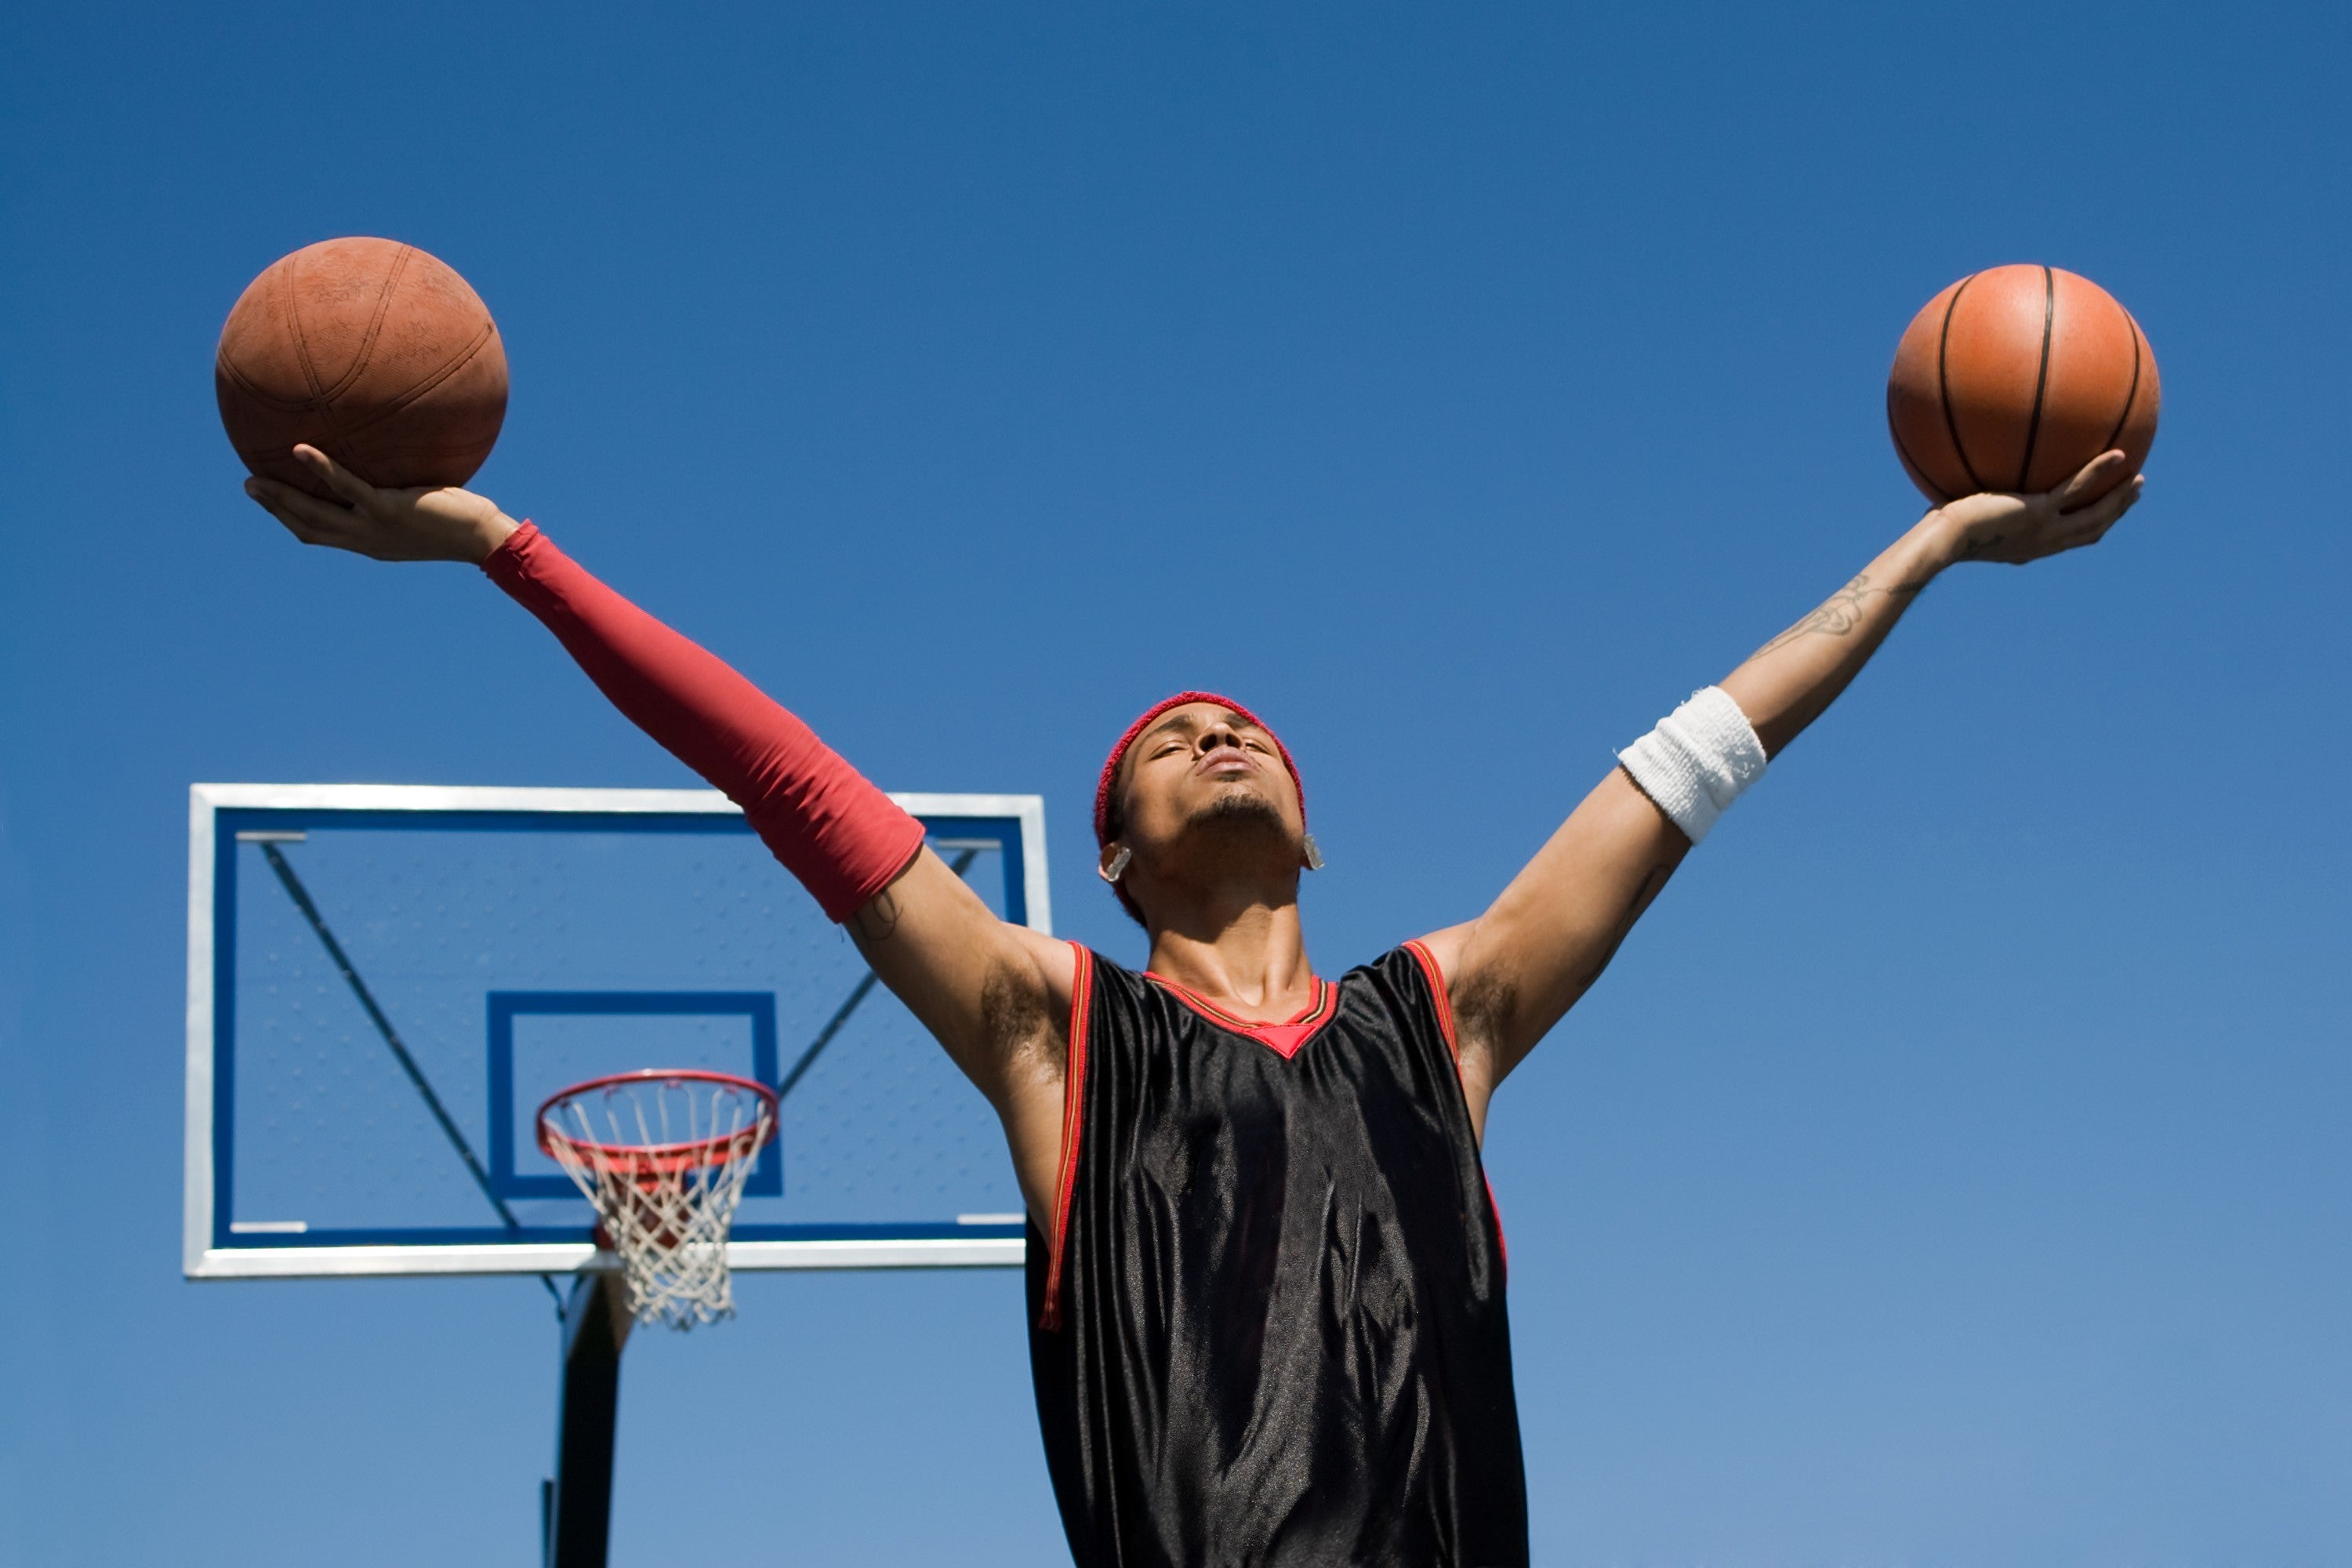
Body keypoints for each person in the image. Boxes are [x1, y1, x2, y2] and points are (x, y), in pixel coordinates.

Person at [246, 445, 2142, 1567]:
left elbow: (1695, 761)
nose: (1217, 728)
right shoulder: (1053, 1032)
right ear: (1124, 862)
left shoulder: (1446, 1014)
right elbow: (788, 781)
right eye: (1168, 742)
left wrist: (1934, 548)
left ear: (1310, 836)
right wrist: (511, 552)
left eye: (1247, 730)